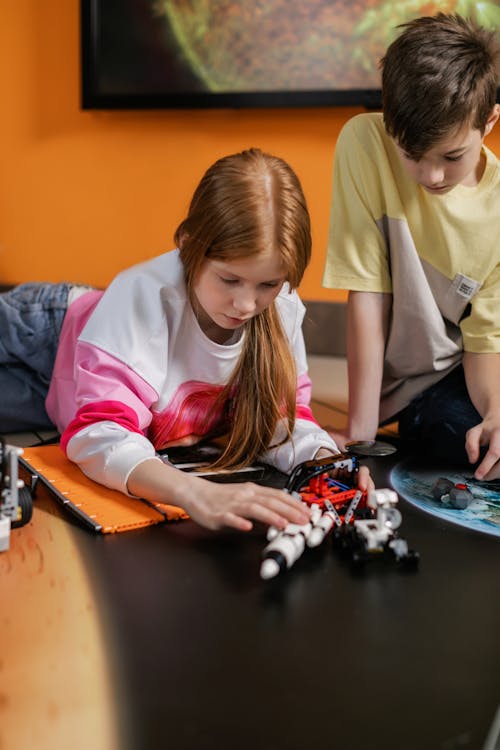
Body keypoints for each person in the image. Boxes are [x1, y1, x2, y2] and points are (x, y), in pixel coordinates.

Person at [0, 148, 370, 531]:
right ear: (187, 244)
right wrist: (193, 492)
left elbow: (281, 423)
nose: (246, 304)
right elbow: (103, 433)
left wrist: (327, 462)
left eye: (268, 284)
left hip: (64, 396)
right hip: (48, 329)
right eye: (229, 280)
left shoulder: (282, 310)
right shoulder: (143, 296)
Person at [323, 13, 500, 481]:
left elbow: (486, 344)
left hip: (480, 368)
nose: (432, 176)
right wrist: (359, 438)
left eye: (451, 156)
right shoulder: (363, 143)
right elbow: (367, 295)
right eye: (412, 155)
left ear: (490, 121)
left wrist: (495, 415)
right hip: (426, 388)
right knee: (461, 435)